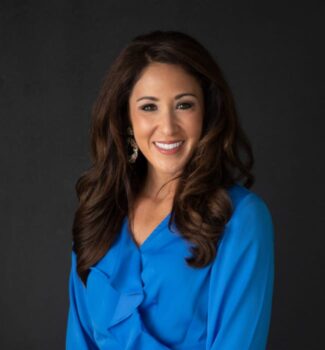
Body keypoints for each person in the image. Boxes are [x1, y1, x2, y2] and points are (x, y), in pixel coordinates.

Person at [65, 30, 275, 350]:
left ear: (207, 112)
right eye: (149, 107)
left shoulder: (240, 218)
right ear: (127, 118)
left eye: (184, 105)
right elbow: (78, 340)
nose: (168, 127)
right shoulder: (98, 213)